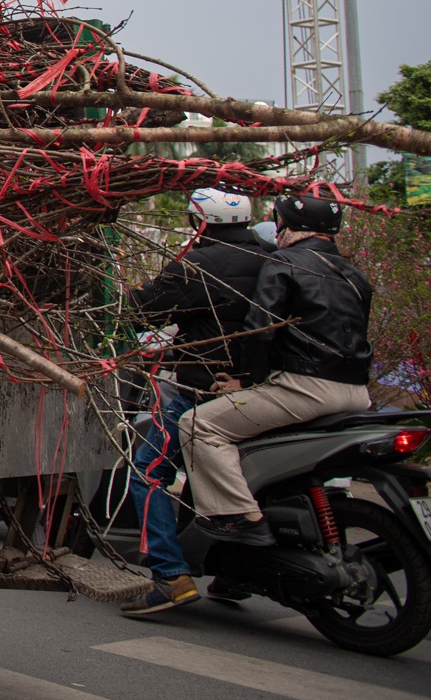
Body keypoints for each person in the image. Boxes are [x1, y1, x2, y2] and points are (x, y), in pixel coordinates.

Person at [180, 191, 375, 546]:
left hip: (305, 389)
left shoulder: (284, 261)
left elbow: (260, 329)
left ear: (288, 225)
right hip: (358, 395)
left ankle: (240, 517)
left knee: (198, 425)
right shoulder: (354, 273)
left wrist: (246, 380)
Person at [117, 187, 271, 616]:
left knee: (147, 475)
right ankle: (237, 572)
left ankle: (170, 576)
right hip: (258, 391)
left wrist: (115, 298)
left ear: (197, 222)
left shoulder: (200, 265)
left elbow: (141, 309)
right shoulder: (272, 257)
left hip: (198, 390)